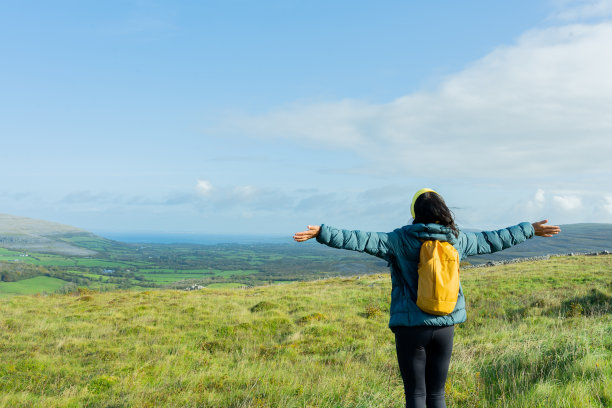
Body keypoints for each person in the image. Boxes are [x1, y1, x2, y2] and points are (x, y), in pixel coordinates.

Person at [293, 189, 561, 408]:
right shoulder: (458, 240)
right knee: (437, 395)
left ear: (415, 214)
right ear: (443, 212)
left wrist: (321, 233)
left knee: (416, 396)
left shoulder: (398, 240)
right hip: (445, 326)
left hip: (411, 328)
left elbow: (358, 239)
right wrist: (529, 229)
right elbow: (493, 240)